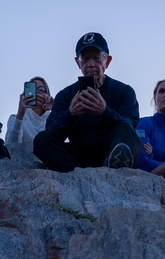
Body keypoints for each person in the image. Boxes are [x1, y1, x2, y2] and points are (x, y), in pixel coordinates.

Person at [34, 32, 140, 172]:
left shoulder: (124, 91)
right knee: (42, 140)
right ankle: (78, 174)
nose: (91, 64)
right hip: (78, 154)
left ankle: (115, 165)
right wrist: (70, 114)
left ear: (107, 61)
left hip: (111, 149)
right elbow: (51, 132)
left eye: (97, 58)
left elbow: (130, 126)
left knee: (125, 127)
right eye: (85, 58)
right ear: (78, 63)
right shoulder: (65, 95)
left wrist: (105, 112)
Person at [5, 76, 52, 148]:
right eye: (33, 90)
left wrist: (56, 109)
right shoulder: (15, 118)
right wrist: (20, 116)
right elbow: (11, 147)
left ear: (47, 94)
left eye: (41, 89)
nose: (36, 93)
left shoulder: (52, 119)